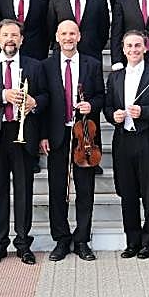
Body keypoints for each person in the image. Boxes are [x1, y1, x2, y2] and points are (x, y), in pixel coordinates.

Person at [0, 19, 48, 266]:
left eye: (14, 35)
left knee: (24, 192)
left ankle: (23, 244)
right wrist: (3, 95)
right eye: (5, 35)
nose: (10, 39)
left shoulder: (34, 66)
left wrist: (35, 103)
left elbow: (46, 96)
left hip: (24, 134)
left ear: (22, 40)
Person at [39, 20, 106, 262]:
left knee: (85, 190)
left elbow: (101, 96)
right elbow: (43, 103)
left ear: (79, 36)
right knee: (57, 190)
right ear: (57, 37)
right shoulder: (45, 66)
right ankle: (61, 239)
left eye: (72, 33)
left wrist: (92, 104)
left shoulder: (93, 64)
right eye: (64, 33)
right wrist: (43, 135)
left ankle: (82, 240)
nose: (68, 37)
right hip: (57, 135)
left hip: (84, 136)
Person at [105, 31, 149, 258]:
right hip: (123, 140)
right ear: (123, 49)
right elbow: (107, 107)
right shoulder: (115, 77)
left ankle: (148, 241)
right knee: (127, 192)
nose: (133, 50)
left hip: (148, 140)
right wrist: (112, 115)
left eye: (138, 46)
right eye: (129, 46)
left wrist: (145, 112)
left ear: (146, 48)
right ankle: (132, 241)